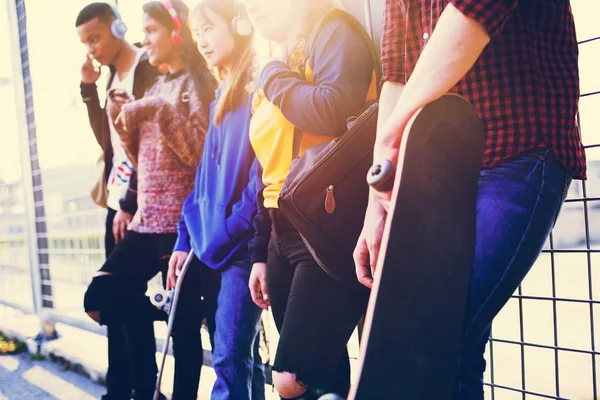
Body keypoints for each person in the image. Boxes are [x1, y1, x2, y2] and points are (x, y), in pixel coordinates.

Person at [354, 1, 586, 399]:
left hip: (522, 148)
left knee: (441, 336)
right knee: (446, 346)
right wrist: (377, 200)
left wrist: (394, 136)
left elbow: (474, 12)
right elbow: (396, 71)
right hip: (440, 170)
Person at [83, 1, 217, 399]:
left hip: (180, 225)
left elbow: (197, 155)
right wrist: (122, 121)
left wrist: (158, 111)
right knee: (99, 296)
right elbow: (144, 158)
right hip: (146, 219)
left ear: (177, 32)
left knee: (187, 341)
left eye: (153, 30)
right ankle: (168, 308)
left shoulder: (197, 83)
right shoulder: (155, 86)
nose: (145, 39)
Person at [245, 0, 379, 398]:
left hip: (327, 221)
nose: (252, 7)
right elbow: (265, 168)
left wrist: (272, 77)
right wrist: (259, 251)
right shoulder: (283, 57)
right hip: (282, 226)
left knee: (292, 380)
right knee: (320, 378)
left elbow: (332, 110)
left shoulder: (334, 31)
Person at [167, 1, 265, 399]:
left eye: (209, 28)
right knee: (244, 360)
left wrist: (228, 231)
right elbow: (203, 185)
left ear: (239, 24)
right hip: (214, 246)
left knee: (228, 358)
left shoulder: (257, 91)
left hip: (240, 249)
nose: (201, 41)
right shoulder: (221, 97)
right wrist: (183, 239)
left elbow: (259, 183)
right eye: (197, 33)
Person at [76, 3, 157, 399]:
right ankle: (121, 390)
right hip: (117, 200)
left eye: (95, 37)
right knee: (117, 308)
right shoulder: (109, 77)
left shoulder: (146, 66)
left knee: (115, 296)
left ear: (118, 27)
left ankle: (141, 388)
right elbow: (109, 143)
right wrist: (90, 91)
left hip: (143, 203)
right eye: (84, 42)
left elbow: (152, 143)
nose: (91, 48)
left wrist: (132, 201)